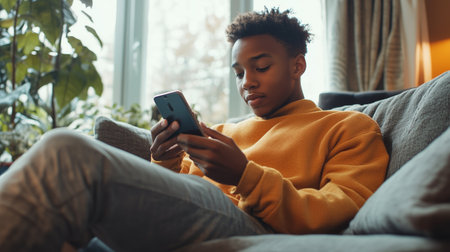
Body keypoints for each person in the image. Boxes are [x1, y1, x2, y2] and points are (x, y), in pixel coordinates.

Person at [0, 8, 388, 251]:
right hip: (196, 213)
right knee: (64, 203)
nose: (247, 82)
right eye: (239, 72)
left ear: (297, 65)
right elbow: (177, 196)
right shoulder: (222, 131)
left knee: (66, 150)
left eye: (262, 66)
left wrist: (245, 175)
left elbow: (339, 211)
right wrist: (164, 161)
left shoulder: (348, 126)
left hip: (254, 227)